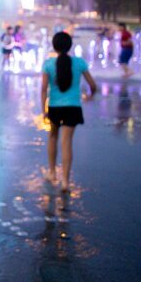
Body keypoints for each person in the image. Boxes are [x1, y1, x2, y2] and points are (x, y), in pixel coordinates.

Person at [41, 32, 97, 192]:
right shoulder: (79, 63)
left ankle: (52, 173)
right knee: (67, 143)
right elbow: (93, 85)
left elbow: (44, 89)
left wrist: (43, 109)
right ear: (70, 45)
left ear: (54, 46)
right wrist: (89, 96)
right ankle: (65, 181)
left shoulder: (48, 64)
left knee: (52, 137)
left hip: (55, 107)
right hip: (73, 107)